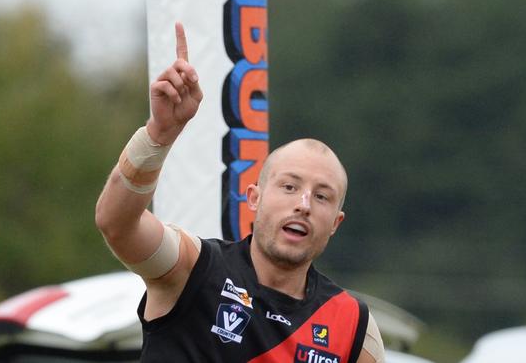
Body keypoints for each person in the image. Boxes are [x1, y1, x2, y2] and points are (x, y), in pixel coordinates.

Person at [95, 22, 384, 363]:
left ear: (335, 223)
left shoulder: (352, 325)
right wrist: (158, 134)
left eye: (321, 196)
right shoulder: (193, 268)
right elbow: (116, 223)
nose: (303, 204)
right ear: (254, 198)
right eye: (289, 186)